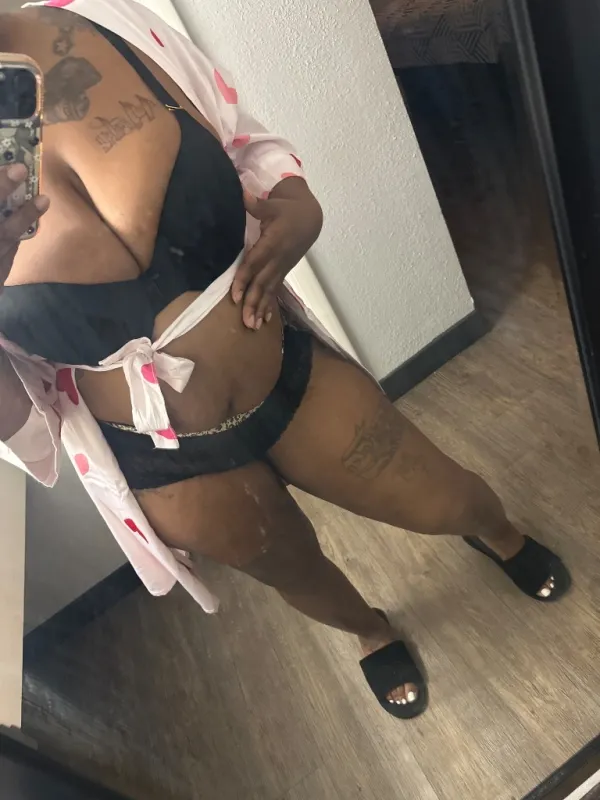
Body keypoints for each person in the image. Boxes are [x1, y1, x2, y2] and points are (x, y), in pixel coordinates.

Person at [0, 0, 569, 721]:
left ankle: (498, 534)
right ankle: (370, 631)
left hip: (280, 365)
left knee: (449, 497)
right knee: (296, 572)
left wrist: (297, 201)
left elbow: (239, 137)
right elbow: (20, 427)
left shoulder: (100, 19)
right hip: (158, 458)